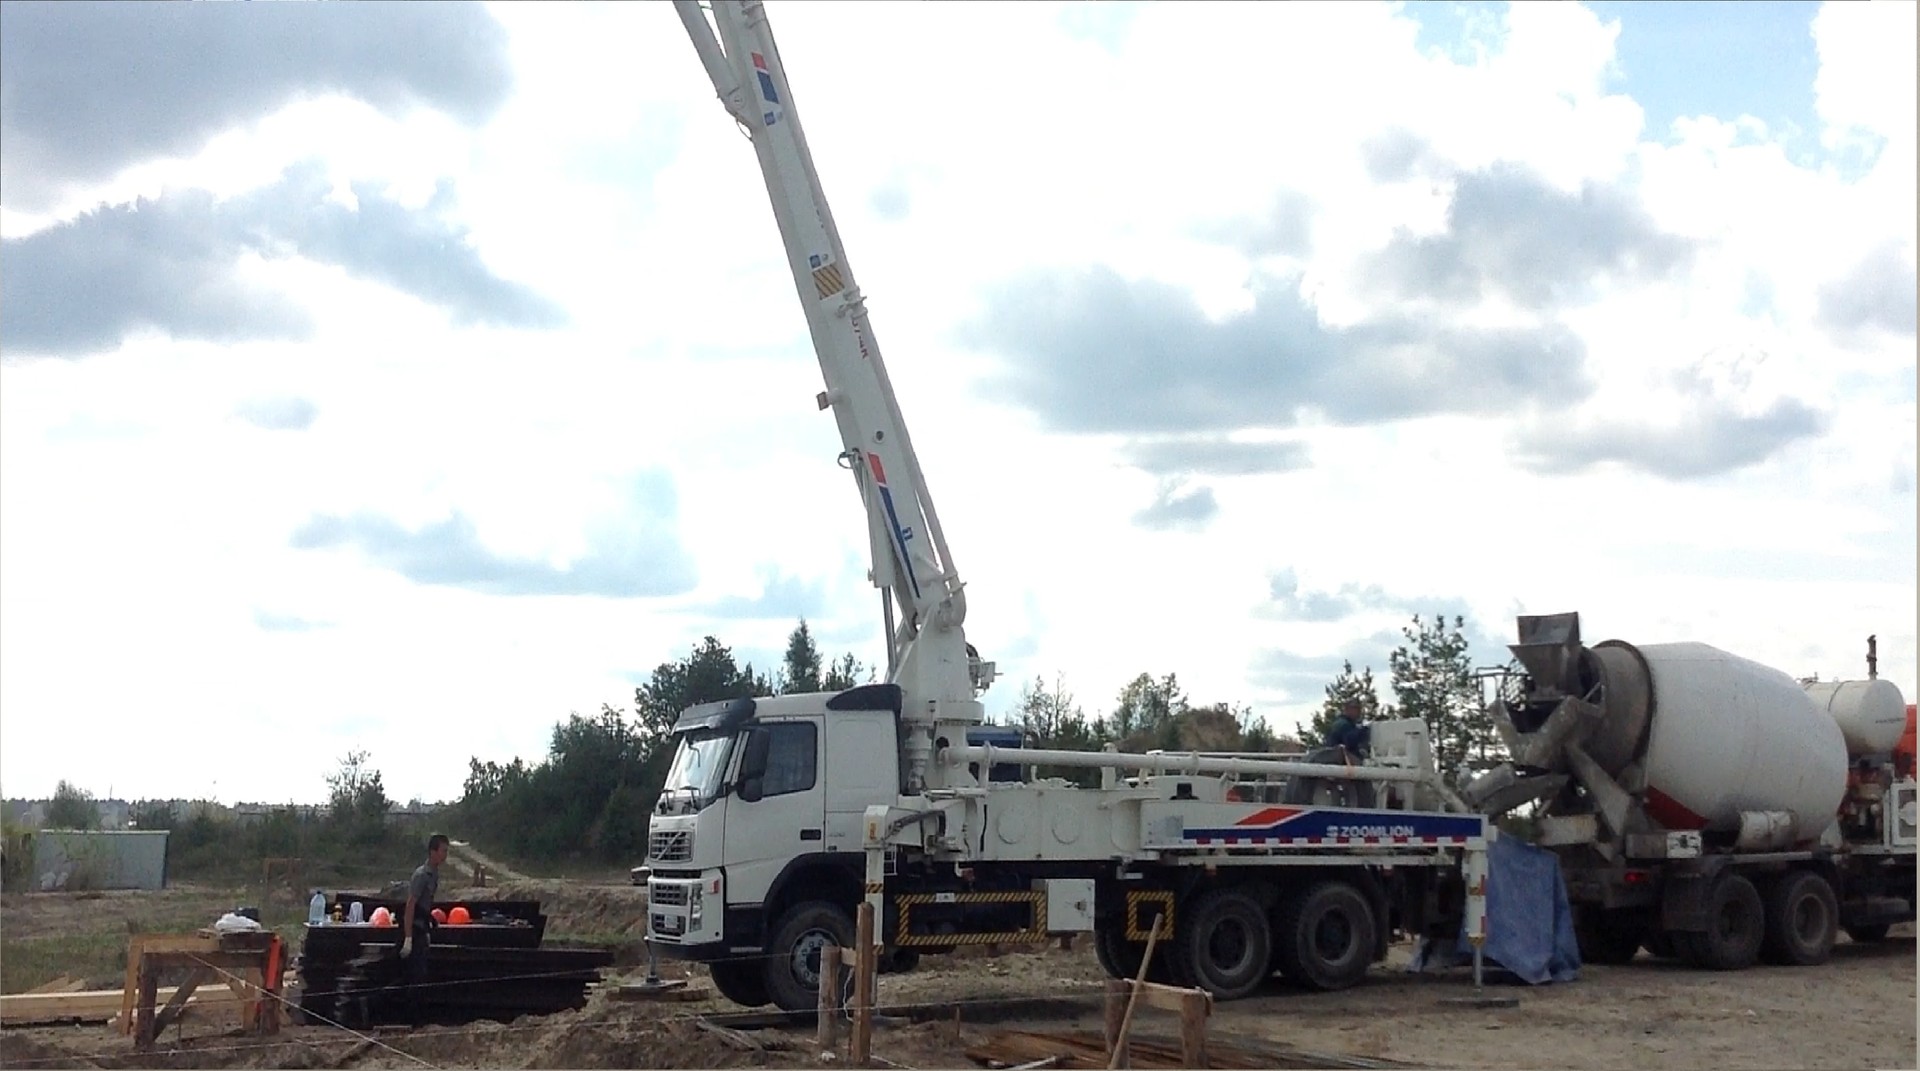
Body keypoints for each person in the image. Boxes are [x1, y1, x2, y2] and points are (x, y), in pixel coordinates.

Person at [400, 833, 449, 1023]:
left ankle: (417, 1016)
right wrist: (408, 938)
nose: (445, 855)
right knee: (415, 975)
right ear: (433, 852)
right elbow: (410, 905)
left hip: (422, 926)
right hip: (414, 928)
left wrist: (429, 922)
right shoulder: (421, 875)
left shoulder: (434, 874)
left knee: (421, 973)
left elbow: (424, 905)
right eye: (443, 851)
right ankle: (411, 1018)